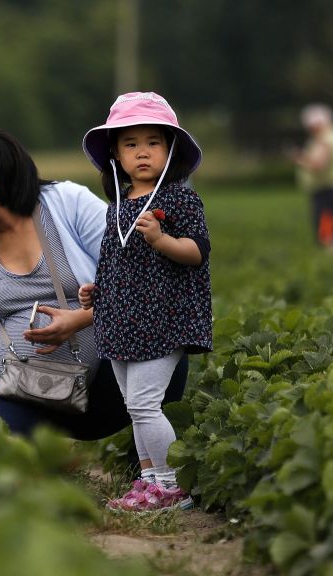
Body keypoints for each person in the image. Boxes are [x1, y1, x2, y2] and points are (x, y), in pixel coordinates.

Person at [0, 128, 189, 441]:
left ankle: (153, 471)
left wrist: (80, 319)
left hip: (105, 391)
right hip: (18, 390)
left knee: (163, 335)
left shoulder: (65, 204)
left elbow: (143, 274)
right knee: (0, 455)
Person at [79, 92, 213, 511]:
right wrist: (95, 292)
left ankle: (172, 486)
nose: (142, 153)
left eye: (153, 142)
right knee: (134, 406)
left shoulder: (179, 199)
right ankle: (150, 480)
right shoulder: (116, 206)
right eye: (131, 144)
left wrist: (161, 240)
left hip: (165, 317)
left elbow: (197, 252)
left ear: (170, 151)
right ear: (116, 155)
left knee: (143, 403)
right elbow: (112, 258)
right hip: (120, 317)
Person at [291, 103, 333, 251]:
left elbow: (318, 164)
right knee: (330, 227)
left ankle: (332, 258)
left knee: (326, 231)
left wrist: (299, 159)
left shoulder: (325, 139)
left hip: (326, 190)